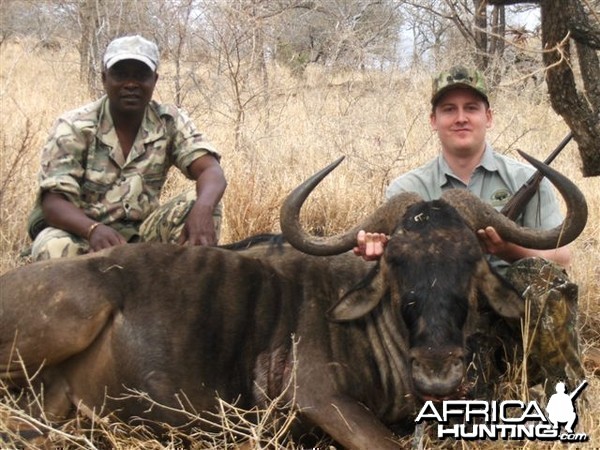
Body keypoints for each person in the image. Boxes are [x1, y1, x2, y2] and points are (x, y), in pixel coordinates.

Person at [354, 65, 584, 392]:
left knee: (543, 277)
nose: (461, 117)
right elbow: (402, 271)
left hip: (514, 302)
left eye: (471, 108)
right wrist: (377, 252)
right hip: (449, 318)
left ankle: (566, 391)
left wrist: (507, 249)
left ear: (488, 117)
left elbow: (561, 254)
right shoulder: (407, 188)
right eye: (449, 109)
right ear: (434, 121)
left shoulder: (524, 179)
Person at [28, 35, 227, 260]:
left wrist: (203, 209)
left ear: (155, 80)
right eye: (121, 74)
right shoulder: (75, 125)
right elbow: (53, 202)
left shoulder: (169, 120)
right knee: (53, 245)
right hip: (83, 233)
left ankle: (183, 290)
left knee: (200, 201)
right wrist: (93, 230)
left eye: (141, 75)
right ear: (104, 79)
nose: (131, 84)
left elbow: (211, 170)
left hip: (143, 234)